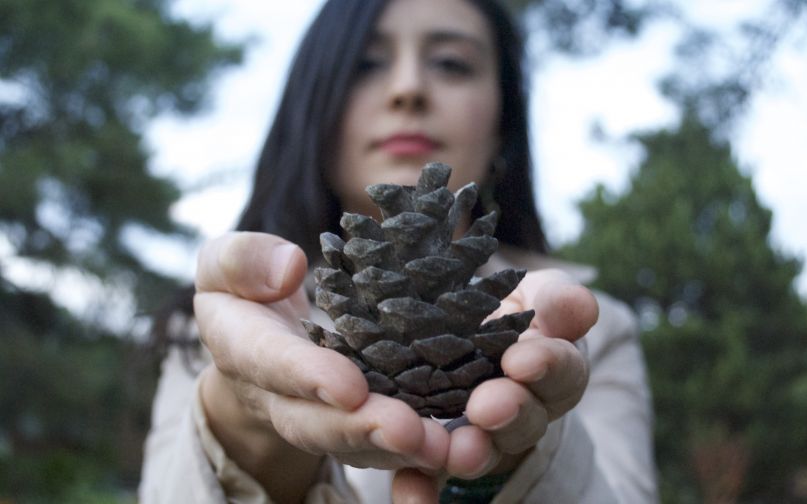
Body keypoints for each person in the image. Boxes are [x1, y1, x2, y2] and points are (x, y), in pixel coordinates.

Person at [139, 0, 657, 502]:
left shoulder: (595, 331)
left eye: (452, 63)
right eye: (366, 64)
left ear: (503, 124)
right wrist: (243, 424)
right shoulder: (215, 326)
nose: (408, 89)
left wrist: (520, 459)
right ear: (317, 110)